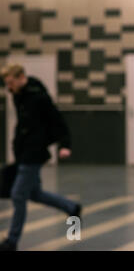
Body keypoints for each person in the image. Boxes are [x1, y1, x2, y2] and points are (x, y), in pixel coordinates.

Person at [0, 64, 82, 251]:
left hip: (33, 152)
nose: (8, 87)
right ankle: (71, 208)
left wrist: (65, 145)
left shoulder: (39, 97)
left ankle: (12, 241)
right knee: (35, 194)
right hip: (23, 151)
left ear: (21, 77)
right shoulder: (18, 95)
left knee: (18, 194)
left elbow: (57, 119)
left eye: (11, 82)